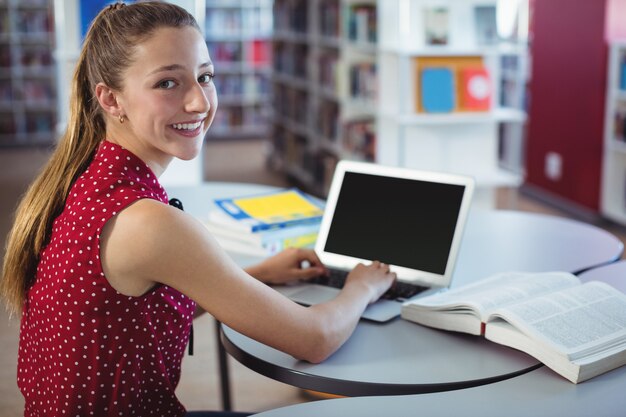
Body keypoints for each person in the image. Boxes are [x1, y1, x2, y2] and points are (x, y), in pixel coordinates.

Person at [0, 2, 395, 416]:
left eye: (204, 77)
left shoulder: (83, 181)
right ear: (110, 99)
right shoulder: (147, 223)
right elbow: (314, 339)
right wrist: (363, 287)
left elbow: (136, 310)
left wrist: (257, 275)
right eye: (168, 83)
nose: (198, 103)